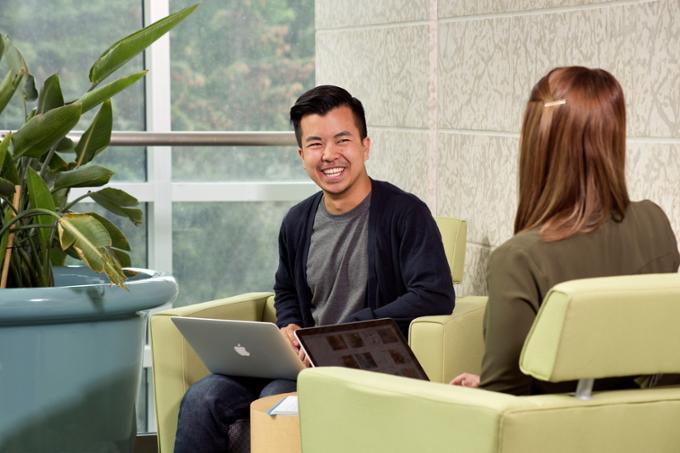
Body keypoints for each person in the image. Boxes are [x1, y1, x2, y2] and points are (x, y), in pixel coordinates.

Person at [174, 85, 455, 452]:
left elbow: (434, 295)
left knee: (277, 397)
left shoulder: (404, 214)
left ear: (365, 146)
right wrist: (288, 324)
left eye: (342, 140)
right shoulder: (297, 221)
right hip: (301, 362)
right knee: (203, 397)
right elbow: (287, 290)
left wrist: (355, 325)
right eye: (316, 144)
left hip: (358, 364)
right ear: (301, 154)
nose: (330, 155)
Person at [451, 66, 680, 395]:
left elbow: (504, 401)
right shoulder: (655, 223)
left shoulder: (517, 260)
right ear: (612, 136)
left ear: (535, 145)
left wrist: (481, 391)